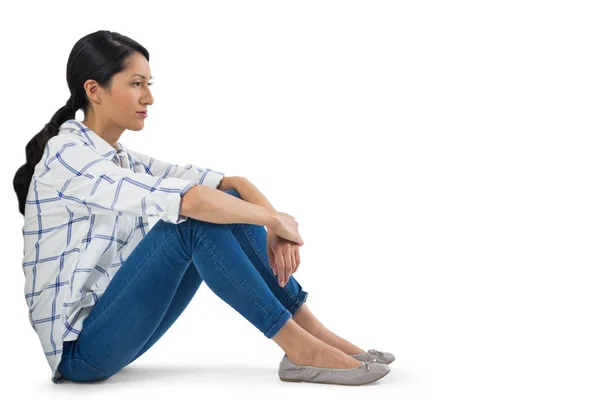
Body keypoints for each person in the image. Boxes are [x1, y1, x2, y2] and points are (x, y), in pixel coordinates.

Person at [13, 30, 393, 386]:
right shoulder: (68, 154)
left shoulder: (122, 160)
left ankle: (313, 333)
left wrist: (275, 226)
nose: (149, 98)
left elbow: (233, 185)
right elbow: (190, 202)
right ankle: (299, 349)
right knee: (193, 221)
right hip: (80, 353)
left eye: (148, 84)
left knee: (227, 205)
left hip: (118, 329)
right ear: (94, 90)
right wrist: (273, 220)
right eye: (136, 84)